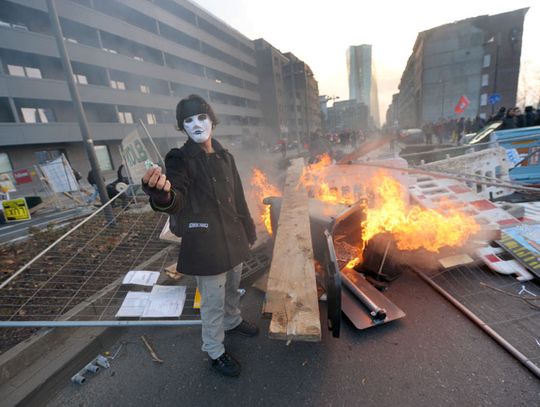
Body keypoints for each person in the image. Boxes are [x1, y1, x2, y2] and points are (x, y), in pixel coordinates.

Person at [141, 94, 257, 377]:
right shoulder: (179, 158)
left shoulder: (224, 155)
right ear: (182, 127)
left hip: (233, 238)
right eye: (188, 120)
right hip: (205, 246)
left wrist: (249, 228)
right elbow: (176, 196)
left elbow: (238, 197)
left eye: (201, 117)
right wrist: (162, 194)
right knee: (212, 302)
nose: (196, 124)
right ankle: (215, 351)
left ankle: (233, 321)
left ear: (212, 120)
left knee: (233, 287)